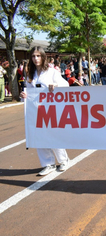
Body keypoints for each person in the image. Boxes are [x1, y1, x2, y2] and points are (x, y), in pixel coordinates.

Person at [20, 46, 70, 176]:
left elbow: (66, 85)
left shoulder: (51, 72)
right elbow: (28, 91)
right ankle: (48, 164)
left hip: (50, 109)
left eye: (38, 56)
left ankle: (63, 160)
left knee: (53, 134)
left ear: (43, 57)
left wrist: (56, 85)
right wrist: (24, 96)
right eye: (33, 56)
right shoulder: (30, 73)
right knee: (39, 137)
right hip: (35, 110)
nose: (36, 59)